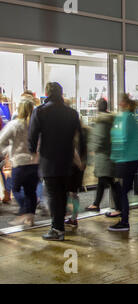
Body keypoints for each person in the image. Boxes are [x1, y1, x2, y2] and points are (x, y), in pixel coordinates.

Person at [28, 82, 86, 241]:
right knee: (62, 194)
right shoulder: (72, 113)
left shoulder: (39, 111)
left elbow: (32, 135)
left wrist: (32, 152)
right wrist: (82, 158)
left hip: (49, 160)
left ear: (47, 93)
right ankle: (58, 226)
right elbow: (81, 137)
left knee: (54, 195)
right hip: (67, 160)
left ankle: (57, 229)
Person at [0, 99, 39, 226]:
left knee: (15, 189)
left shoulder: (14, 124)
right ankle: (30, 218)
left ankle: (25, 212)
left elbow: (1, 141)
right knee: (31, 191)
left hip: (19, 163)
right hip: (34, 163)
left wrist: (9, 150)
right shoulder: (36, 125)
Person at [108, 94, 138, 232]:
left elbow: (122, 137)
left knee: (122, 190)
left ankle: (124, 221)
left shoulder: (126, 118)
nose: (119, 104)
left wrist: (114, 155)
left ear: (126, 104)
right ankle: (128, 218)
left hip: (126, 159)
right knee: (125, 188)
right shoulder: (131, 118)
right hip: (132, 159)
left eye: (121, 102)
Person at [85, 99, 121, 216]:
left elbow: (99, 139)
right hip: (110, 154)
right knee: (104, 180)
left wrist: (91, 147)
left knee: (110, 181)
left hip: (104, 156)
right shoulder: (111, 120)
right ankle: (96, 203)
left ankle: (119, 208)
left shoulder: (102, 121)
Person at [65, 121, 88, 227]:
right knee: (73, 193)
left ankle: (73, 217)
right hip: (78, 168)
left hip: (72, 168)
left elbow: (74, 153)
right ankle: (74, 217)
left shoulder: (70, 136)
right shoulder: (83, 134)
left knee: (70, 193)